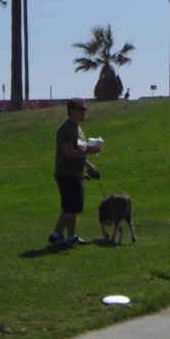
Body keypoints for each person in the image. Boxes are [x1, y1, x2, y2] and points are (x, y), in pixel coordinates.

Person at [48, 98, 100, 247]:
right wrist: (90, 151)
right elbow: (67, 152)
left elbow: (79, 152)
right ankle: (56, 235)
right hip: (66, 173)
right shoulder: (66, 128)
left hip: (75, 173)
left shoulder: (77, 129)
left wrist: (90, 167)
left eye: (84, 109)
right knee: (70, 207)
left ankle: (71, 237)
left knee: (74, 207)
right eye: (80, 109)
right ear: (71, 110)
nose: (83, 112)